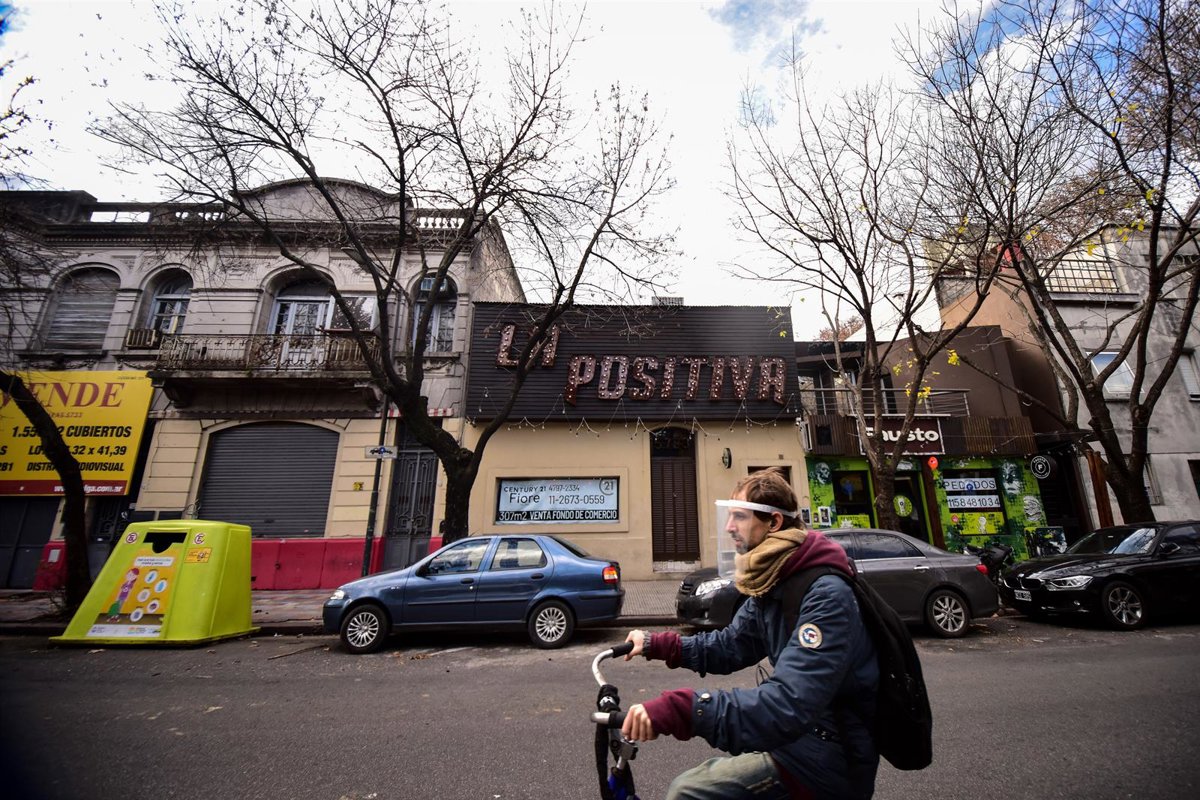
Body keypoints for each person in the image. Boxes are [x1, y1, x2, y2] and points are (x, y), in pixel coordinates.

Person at [622, 468, 880, 799]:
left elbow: (788, 703)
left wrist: (685, 709)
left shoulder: (825, 594)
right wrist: (657, 644)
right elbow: (729, 646)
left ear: (774, 522)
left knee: (689, 791)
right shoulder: (775, 582)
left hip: (827, 758)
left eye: (740, 517)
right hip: (796, 741)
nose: (729, 527)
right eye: (729, 516)